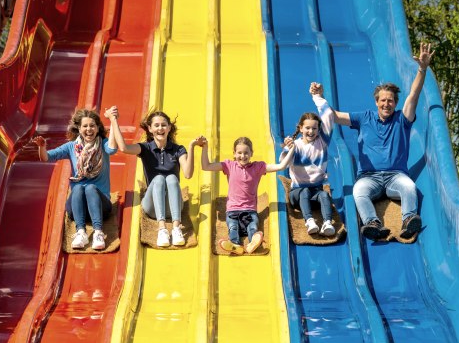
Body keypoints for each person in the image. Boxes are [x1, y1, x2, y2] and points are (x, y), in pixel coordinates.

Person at [329, 42, 434, 240]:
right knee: (358, 190)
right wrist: (319, 98)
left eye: (391, 100)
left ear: (395, 103)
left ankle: (409, 219)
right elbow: (334, 116)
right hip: (370, 177)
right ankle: (372, 222)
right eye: (383, 100)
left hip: (396, 176)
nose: (387, 104)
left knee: (409, 187)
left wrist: (422, 69)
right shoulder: (364, 118)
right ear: (376, 102)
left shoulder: (402, 120)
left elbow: (413, 95)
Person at [104, 106, 200, 247]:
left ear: (169, 128)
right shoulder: (146, 148)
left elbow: (187, 173)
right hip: (153, 207)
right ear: (150, 129)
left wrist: (191, 147)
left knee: (172, 178)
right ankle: (162, 229)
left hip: (173, 206)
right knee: (159, 179)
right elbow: (124, 148)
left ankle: (176, 227)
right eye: (156, 125)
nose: (160, 128)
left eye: (163, 125)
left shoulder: (178, 150)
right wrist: (113, 120)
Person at [33, 108, 118, 250]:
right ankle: (81, 232)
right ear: (79, 128)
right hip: (77, 208)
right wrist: (42, 147)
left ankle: (98, 232)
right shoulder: (71, 147)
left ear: (98, 128)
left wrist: (113, 120)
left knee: (90, 188)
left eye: (92, 125)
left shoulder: (103, 144)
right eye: (85, 126)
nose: (89, 129)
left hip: (101, 206)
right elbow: (46, 157)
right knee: (78, 187)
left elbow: (112, 149)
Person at [199, 135, 295, 255]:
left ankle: (252, 243)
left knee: (253, 227)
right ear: (234, 153)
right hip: (232, 210)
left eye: (246, 153)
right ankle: (235, 245)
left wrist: (292, 149)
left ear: (251, 153)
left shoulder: (258, 167)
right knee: (233, 227)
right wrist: (204, 147)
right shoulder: (229, 165)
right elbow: (206, 166)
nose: (242, 156)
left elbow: (281, 166)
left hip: (250, 210)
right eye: (239, 153)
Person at [280, 82, 336, 237]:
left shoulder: (322, 142)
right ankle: (309, 221)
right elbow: (283, 162)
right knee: (304, 191)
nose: (311, 131)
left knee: (325, 195)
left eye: (314, 128)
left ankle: (327, 223)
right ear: (300, 128)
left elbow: (329, 115)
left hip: (316, 191)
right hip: (297, 193)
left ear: (319, 130)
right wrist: (288, 148)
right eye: (307, 128)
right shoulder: (295, 145)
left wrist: (317, 96)